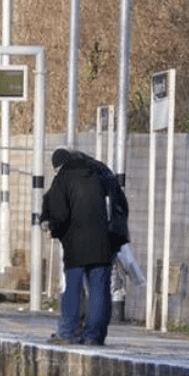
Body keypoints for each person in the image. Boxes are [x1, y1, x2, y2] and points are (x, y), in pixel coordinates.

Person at [40, 148, 128, 346]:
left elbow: (59, 214)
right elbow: (120, 203)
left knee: (73, 287)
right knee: (99, 290)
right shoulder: (101, 171)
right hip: (104, 241)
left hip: (75, 243)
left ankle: (67, 332)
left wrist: (53, 229)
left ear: (58, 166)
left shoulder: (64, 178)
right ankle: (93, 336)